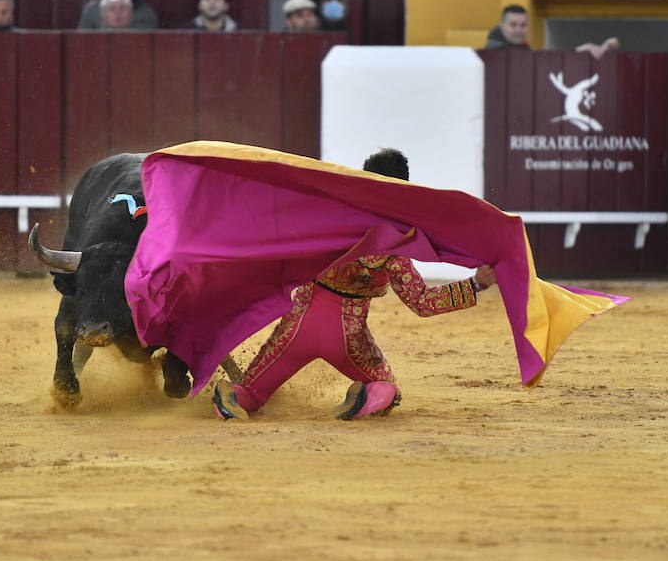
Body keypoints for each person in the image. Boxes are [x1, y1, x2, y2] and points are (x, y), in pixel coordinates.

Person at [212, 148, 497, 421]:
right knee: (386, 387)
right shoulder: (394, 242)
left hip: (296, 327)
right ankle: (363, 399)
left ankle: (231, 401)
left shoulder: (327, 218)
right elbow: (421, 301)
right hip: (349, 338)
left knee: (251, 392)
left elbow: (276, 248)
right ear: (404, 188)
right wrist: (475, 284)